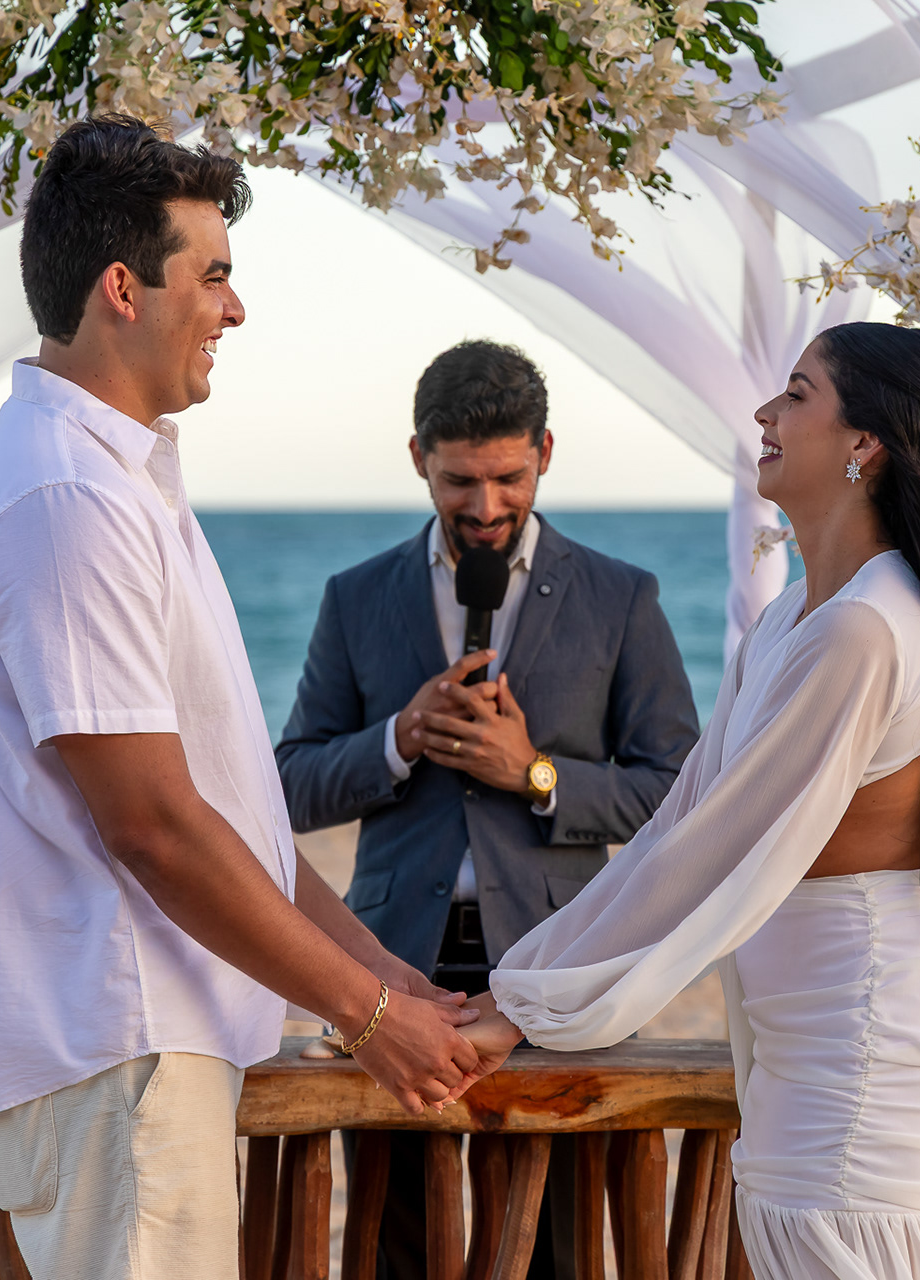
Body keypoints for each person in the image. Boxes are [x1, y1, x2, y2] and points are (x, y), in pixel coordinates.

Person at [0, 115, 479, 1280]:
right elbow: (155, 824)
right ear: (123, 288)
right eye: (214, 274)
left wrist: (385, 976)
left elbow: (232, 813)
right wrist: (369, 1019)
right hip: (119, 1044)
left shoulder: (112, 478)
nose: (237, 308)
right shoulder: (66, 497)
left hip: (142, 1053)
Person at [455, 322, 920, 1279]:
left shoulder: (861, 631)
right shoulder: (793, 619)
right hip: (811, 1024)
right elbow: (679, 824)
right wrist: (519, 985)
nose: (766, 413)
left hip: (865, 1031)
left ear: (865, 443)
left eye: (798, 394)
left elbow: (716, 852)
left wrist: (530, 1005)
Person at [275, 339, 700, 1278]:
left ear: (545, 451)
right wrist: (399, 738)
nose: (485, 506)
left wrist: (535, 773)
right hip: (394, 967)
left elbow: (677, 791)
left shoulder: (622, 597)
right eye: (460, 480)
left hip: (561, 967)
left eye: (509, 478)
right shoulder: (356, 597)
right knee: (394, 1248)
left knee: (552, 1250)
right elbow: (290, 787)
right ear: (418, 457)